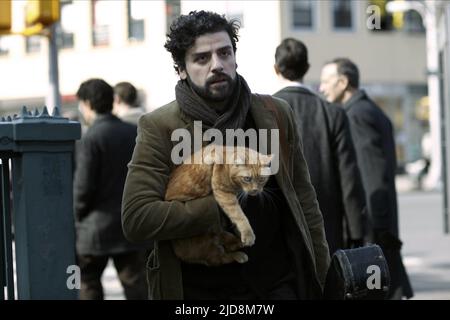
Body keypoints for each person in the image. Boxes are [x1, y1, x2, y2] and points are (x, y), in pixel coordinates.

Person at [121, 11, 330, 300]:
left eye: (224, 53)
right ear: (181, 69)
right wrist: (219, 206)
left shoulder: (275, 114)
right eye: (202, 58)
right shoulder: (160, 126)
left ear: (235, 57)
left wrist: (324, 277)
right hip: (199, 290)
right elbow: (137, 218)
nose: (217, 65)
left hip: (277, 285)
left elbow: (305, 201)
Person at [319, 58, 414, 299]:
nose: (322, 88)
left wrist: (369, 228)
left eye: (326, 81)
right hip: (380, 221)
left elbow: (371, 173)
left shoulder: (355, 115)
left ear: (343, 82)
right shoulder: (369, 109)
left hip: (373, 223)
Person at [273, 38, 367, 255]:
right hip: (326, 229)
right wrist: (355, 233)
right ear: (306, 68)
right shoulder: (333, 113)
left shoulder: (261, 111)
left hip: (278, 230)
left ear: (276, 69)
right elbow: (349, 178)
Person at [74, 78, 147, 300]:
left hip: (95, 229)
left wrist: (77, 215)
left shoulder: (90, 138)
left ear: (87, 104)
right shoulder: (134, 133)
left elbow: (83, 187)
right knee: (137, 288)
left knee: (87, 284)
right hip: (131, 226)